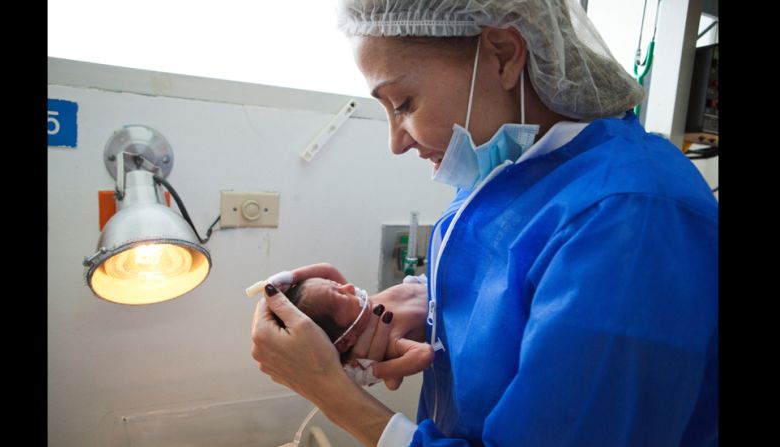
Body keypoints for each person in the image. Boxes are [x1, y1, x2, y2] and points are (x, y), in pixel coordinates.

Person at [251, 1, 718, 446]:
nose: (396, 142)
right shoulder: (510, 167)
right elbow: (513, 274)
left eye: (404, 103)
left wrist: (332, 394)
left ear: (503, 55)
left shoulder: (632, 219)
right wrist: (420, 300)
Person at [283, 276, 434, 387]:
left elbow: (326, 268)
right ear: (345, 341)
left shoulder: (371, 304)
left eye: (335, 284)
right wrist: (376, 371)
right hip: (453, 319)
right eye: (341, 296)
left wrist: (287, 278)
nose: (348, 287)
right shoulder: (387, 340)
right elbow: (423, 354)